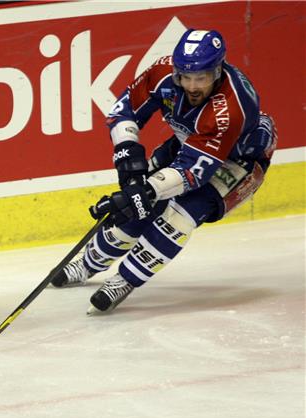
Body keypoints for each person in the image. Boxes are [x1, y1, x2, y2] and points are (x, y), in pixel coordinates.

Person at [51, 29, 277, 314]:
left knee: (180, 215)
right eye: (186, 77)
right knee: (139, 204)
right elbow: (124, 112)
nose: (192, 86)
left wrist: (144, 190)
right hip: (191, 139)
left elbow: (191, 173)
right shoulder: (162, 74)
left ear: (218, 72)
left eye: (202, 78)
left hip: (237, 160)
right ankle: (89, 263)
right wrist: (131, 170)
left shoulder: (232, 108)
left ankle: (126, 279)